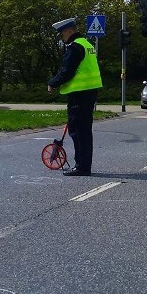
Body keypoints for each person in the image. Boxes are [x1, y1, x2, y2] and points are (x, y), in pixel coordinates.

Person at [47, 18, 103, 176]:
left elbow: (67, 71)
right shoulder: (87, 44)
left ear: (69, 31)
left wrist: (52, 82)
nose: (62, 38)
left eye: (62, 35)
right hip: (88, 92)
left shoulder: (75, 47)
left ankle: (82, 167)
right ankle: (83, 165)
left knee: (78, 131)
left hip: (79, 94)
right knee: (84, 130)